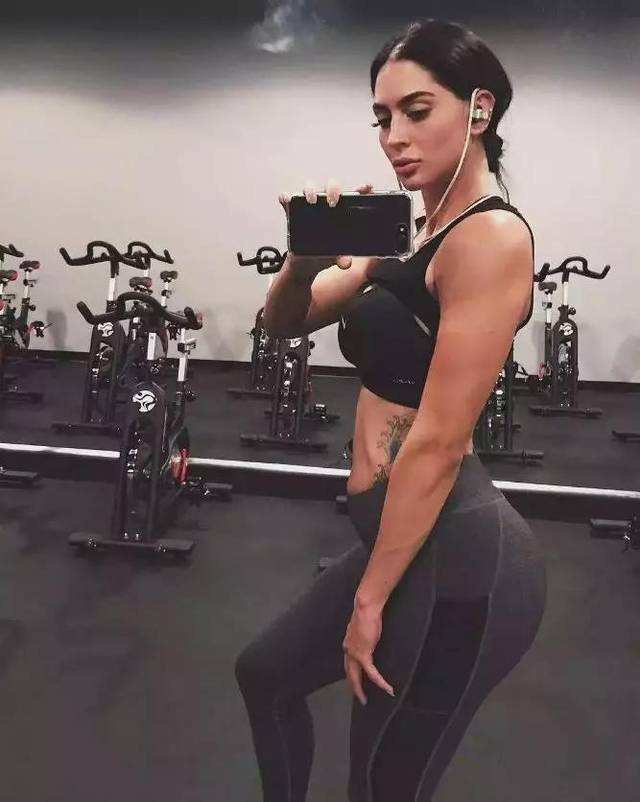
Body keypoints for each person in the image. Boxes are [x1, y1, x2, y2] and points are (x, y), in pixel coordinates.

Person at [235, 18, 547, 802]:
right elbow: (283, 323)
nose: (394, 137)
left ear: (479, 110)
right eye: (381, 118)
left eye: (417, 110)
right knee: (265, 677)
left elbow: (438, 442)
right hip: (400, 541)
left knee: (379, 785)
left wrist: (368, 603)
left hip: (461, 563)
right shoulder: (409, 232)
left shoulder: (490, 237)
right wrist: (303, 260)